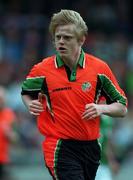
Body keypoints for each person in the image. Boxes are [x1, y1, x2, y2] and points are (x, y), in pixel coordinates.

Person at [21, 9, 128, 180]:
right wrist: (29, 104)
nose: (61, 42)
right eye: (58, 37)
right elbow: (26, 92)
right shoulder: (41, 70)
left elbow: (122, 108)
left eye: (67, 38)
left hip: (91, 148)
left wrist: (101, 108)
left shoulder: (99, 69)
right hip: (59, 146)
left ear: (81, 40)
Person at [0, 86, 17, 180]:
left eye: (2, 99)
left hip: (3, 159)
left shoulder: (9, 115)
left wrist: (10, 134)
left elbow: (15, 138)